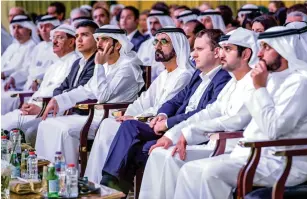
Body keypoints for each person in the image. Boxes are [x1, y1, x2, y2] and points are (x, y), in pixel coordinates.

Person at [173, 26, 307, 199]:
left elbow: (274, 129)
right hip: (256, 155)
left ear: (286, 48)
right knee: (190, 170)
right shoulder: (272, 79)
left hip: (283, 161)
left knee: (211, 172)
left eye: (266, 47)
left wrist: (259, 88)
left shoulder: (301, 83)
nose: (259, 54)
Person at [99, 29, 232, 196]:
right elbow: (176, 100)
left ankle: (114, 189)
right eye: (194, 49)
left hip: (190, 132)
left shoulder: (223, 78)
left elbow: (203, 112)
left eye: (199, 49)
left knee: (139, 144)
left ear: (216, 52)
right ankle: (113, 186)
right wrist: (162, 115)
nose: (193, 54)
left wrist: (168, 123)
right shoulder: (199, 74)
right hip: (170, 125)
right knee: (130, 129)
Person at [139, 28, 259, 199]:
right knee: (160, 152)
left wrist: (188, 134)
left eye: (228, 49)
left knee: (173, 158)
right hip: (215, 142)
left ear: (246, 54)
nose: (221, 54)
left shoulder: (253, 83)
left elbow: (233, 121)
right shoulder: (234, 82)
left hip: (232, 146)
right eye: (222, 48)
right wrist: (173, 135)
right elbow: (208, 113)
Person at [84, 27, 197, 184]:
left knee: (110, 126)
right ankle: (95, 181)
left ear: (178, 45)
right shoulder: (165, 74)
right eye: (155, 42)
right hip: (146, 120)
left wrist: (134, 118)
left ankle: (103, 184)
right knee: (110, 124)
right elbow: (144, 100)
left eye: (164, 42)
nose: (157, 46)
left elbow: (165, 108)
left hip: (163, 126)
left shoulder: (184, 74)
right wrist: (128, 114)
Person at [35, 25, 145, 166]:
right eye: (98, 39)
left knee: (65, 130)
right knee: (47, 123)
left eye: (104, 40)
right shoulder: (107, 65)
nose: (99, 44)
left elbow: (104, 95)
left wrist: (98, 65)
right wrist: (57, 99)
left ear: (118, 45)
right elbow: (86, 89)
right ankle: (48, 174)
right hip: (97, 116)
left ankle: (69, 174)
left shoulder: (127, 67)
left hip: (112, 119)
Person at [1, 24, 79, 144]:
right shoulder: (54, 65)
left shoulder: (76, 63)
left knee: (10, 128)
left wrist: (41, 109)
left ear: (71, 41)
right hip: (34, 108)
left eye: (60, 38)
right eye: (54, 38)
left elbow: (67, 94)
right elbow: (41, 90)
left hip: (49, 112)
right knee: (3, 122)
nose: (55, 41)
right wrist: (28, 103)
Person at [1, 15, 60, 115]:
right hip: (26, 87)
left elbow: (55, 73)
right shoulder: (39, 47)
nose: (44, 30)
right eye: (41, 27)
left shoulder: (58, 48)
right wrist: (13, 77)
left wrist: (37, 80)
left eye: (47, 26)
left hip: (39, 92)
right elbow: (27, 70)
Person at [2, 15, 39, 89]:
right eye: (14, 27)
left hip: (17, 86)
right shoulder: (12, 47)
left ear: (29, 29)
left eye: (20, 27)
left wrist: (6, 74)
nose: (16, 31)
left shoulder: (33, 47)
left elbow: (26, 71)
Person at [137, 8, 175, 80]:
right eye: (150, 23)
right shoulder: (145, 45)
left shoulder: (172, 44)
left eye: (156, 23)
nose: (152, 26)